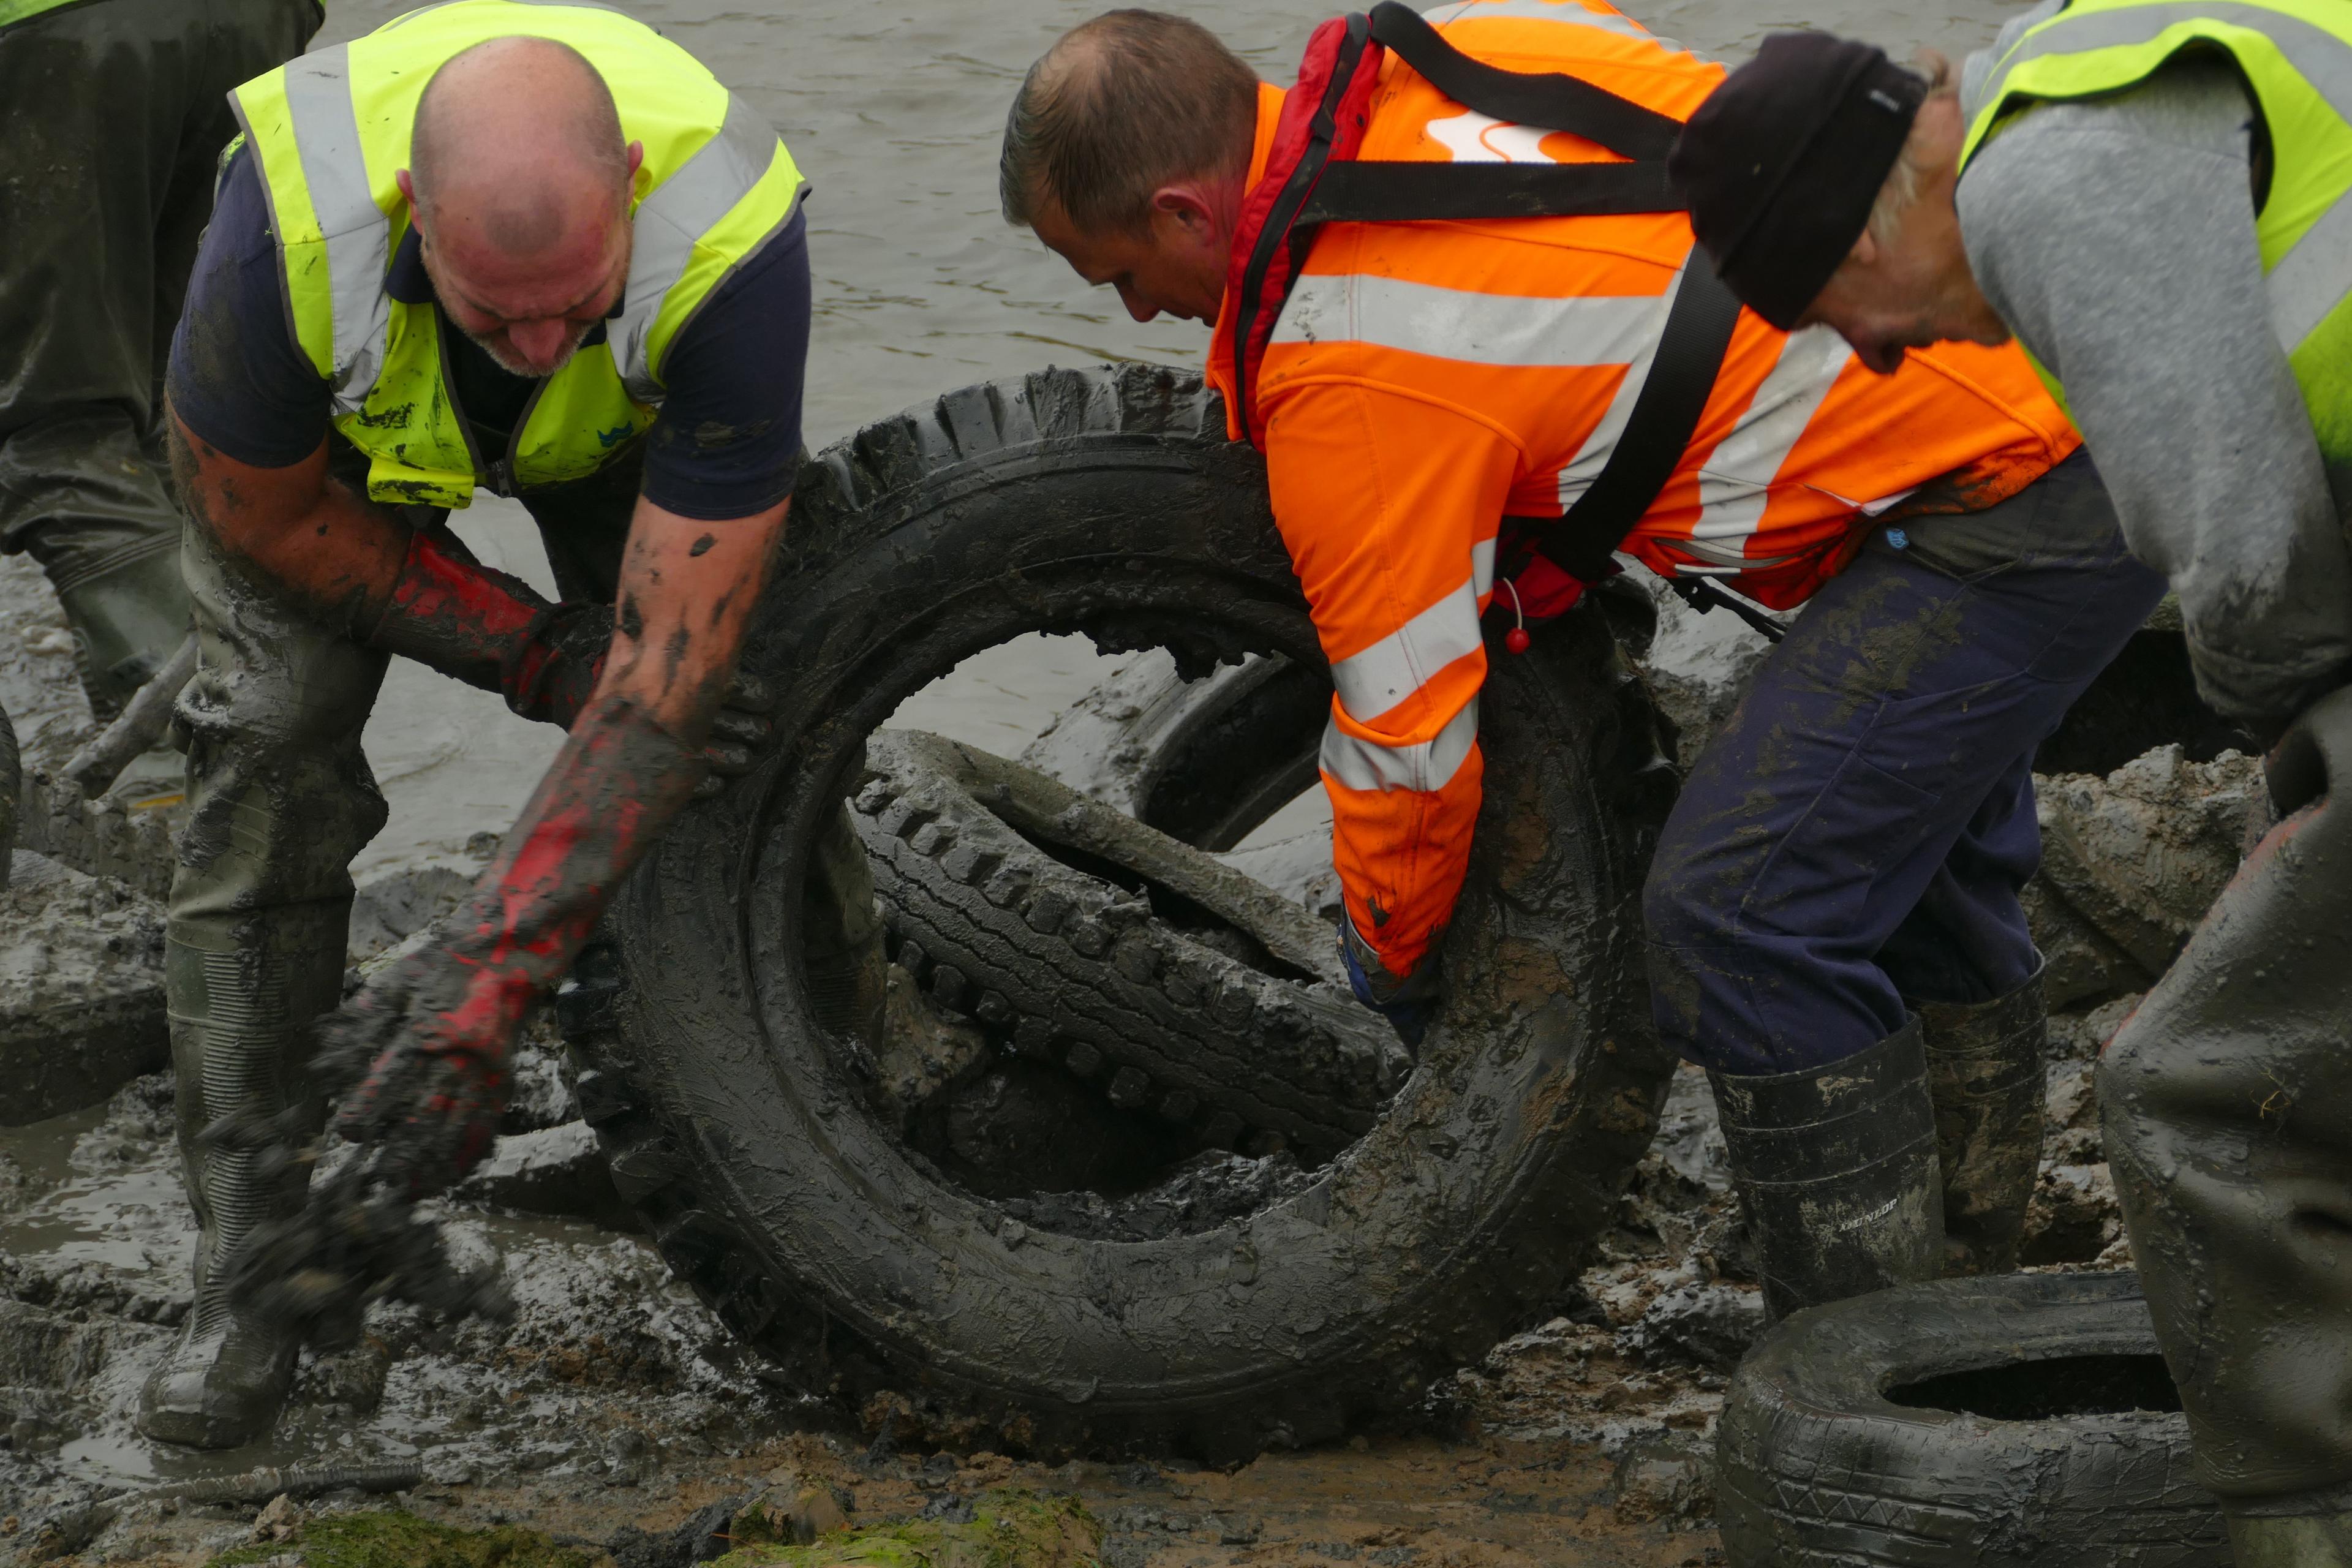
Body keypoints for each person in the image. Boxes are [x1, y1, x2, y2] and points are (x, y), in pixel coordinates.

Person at [1005, 0, 2164, 1326]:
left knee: (1740, 917)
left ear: (1182, 214)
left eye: (1119, 276)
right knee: (1904, 870)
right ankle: (1960, 1297)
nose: (1144, 312)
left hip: (2006, 500)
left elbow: (1405, 738)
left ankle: (1859, 1377)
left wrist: (1390, 967)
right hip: (2052, 350)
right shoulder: (1471, 44)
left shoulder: (1351, 373)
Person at [1670, 10, 2352, 1561]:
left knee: (2197, 1093)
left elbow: (2240, 547)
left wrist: (2285, 757)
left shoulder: (2047, 186)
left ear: (1868, 203)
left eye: (1832, 303)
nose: (1878, 354)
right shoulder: (2074, 61)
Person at [143, 0, 814, 1447]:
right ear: (412, 218)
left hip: (623, 432)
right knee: (264, 750)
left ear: (631, 183)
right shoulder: (287, 237)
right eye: (495, 306)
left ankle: (842, 1116)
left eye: (572, 296)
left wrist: (484, 984)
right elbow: (262, 510)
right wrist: (529, 652)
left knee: (755, 722)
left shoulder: (726, 239)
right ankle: (250, 1267)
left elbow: (667, 674)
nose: (531, 338)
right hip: (342, 450)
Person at [0, 0, 320, 715]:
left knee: (56, 430)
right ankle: (279, 716)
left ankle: (178, 751)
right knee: (185, 402)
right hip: (256, 17)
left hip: (52, 35)